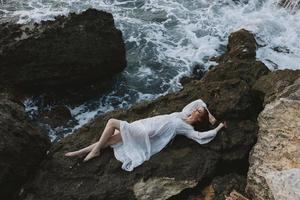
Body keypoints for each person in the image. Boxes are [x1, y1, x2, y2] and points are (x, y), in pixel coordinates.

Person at [65, 99, 227, 171]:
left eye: (197, 112)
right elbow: (199, 100)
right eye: (196, 109)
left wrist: (218, 127)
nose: (194, 110)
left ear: (199, 118)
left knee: (112, 122)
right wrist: (210, 114)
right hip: (143, 123)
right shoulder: (184, 113)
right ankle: (83, 151)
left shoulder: (187, 128)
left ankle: (94, 151)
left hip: (146, 133)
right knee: (112, 139)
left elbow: (200, 137)